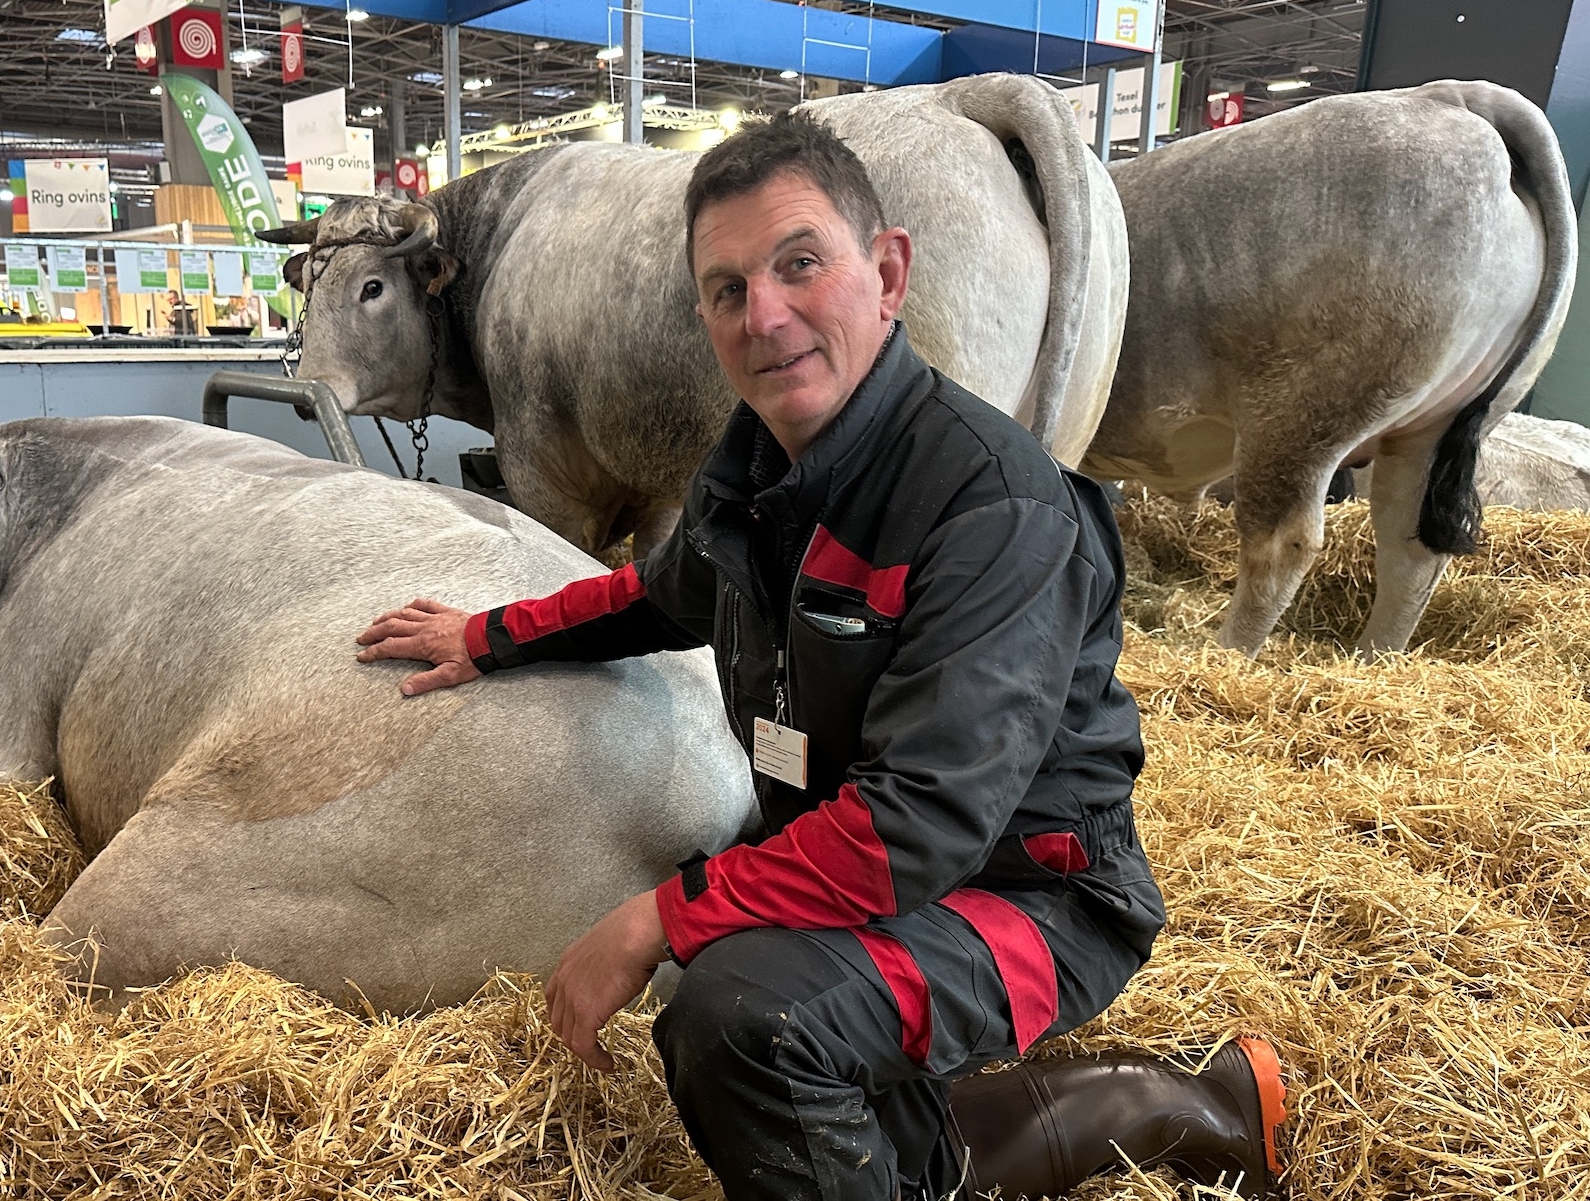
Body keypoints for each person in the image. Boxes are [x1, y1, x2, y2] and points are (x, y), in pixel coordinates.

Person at [356, 111, 1287, 1201]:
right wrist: (484, 636)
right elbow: (658, 597)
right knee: (838, 1092)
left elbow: (917, 825)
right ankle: (1207, 1107)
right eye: (726, 288)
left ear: (887, 273)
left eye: (800, 264)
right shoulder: (751, 473)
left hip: (1030, 896)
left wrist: (661, 915)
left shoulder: (990, 502)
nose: (765, 315)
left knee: (748, 1015)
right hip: (868, 857)